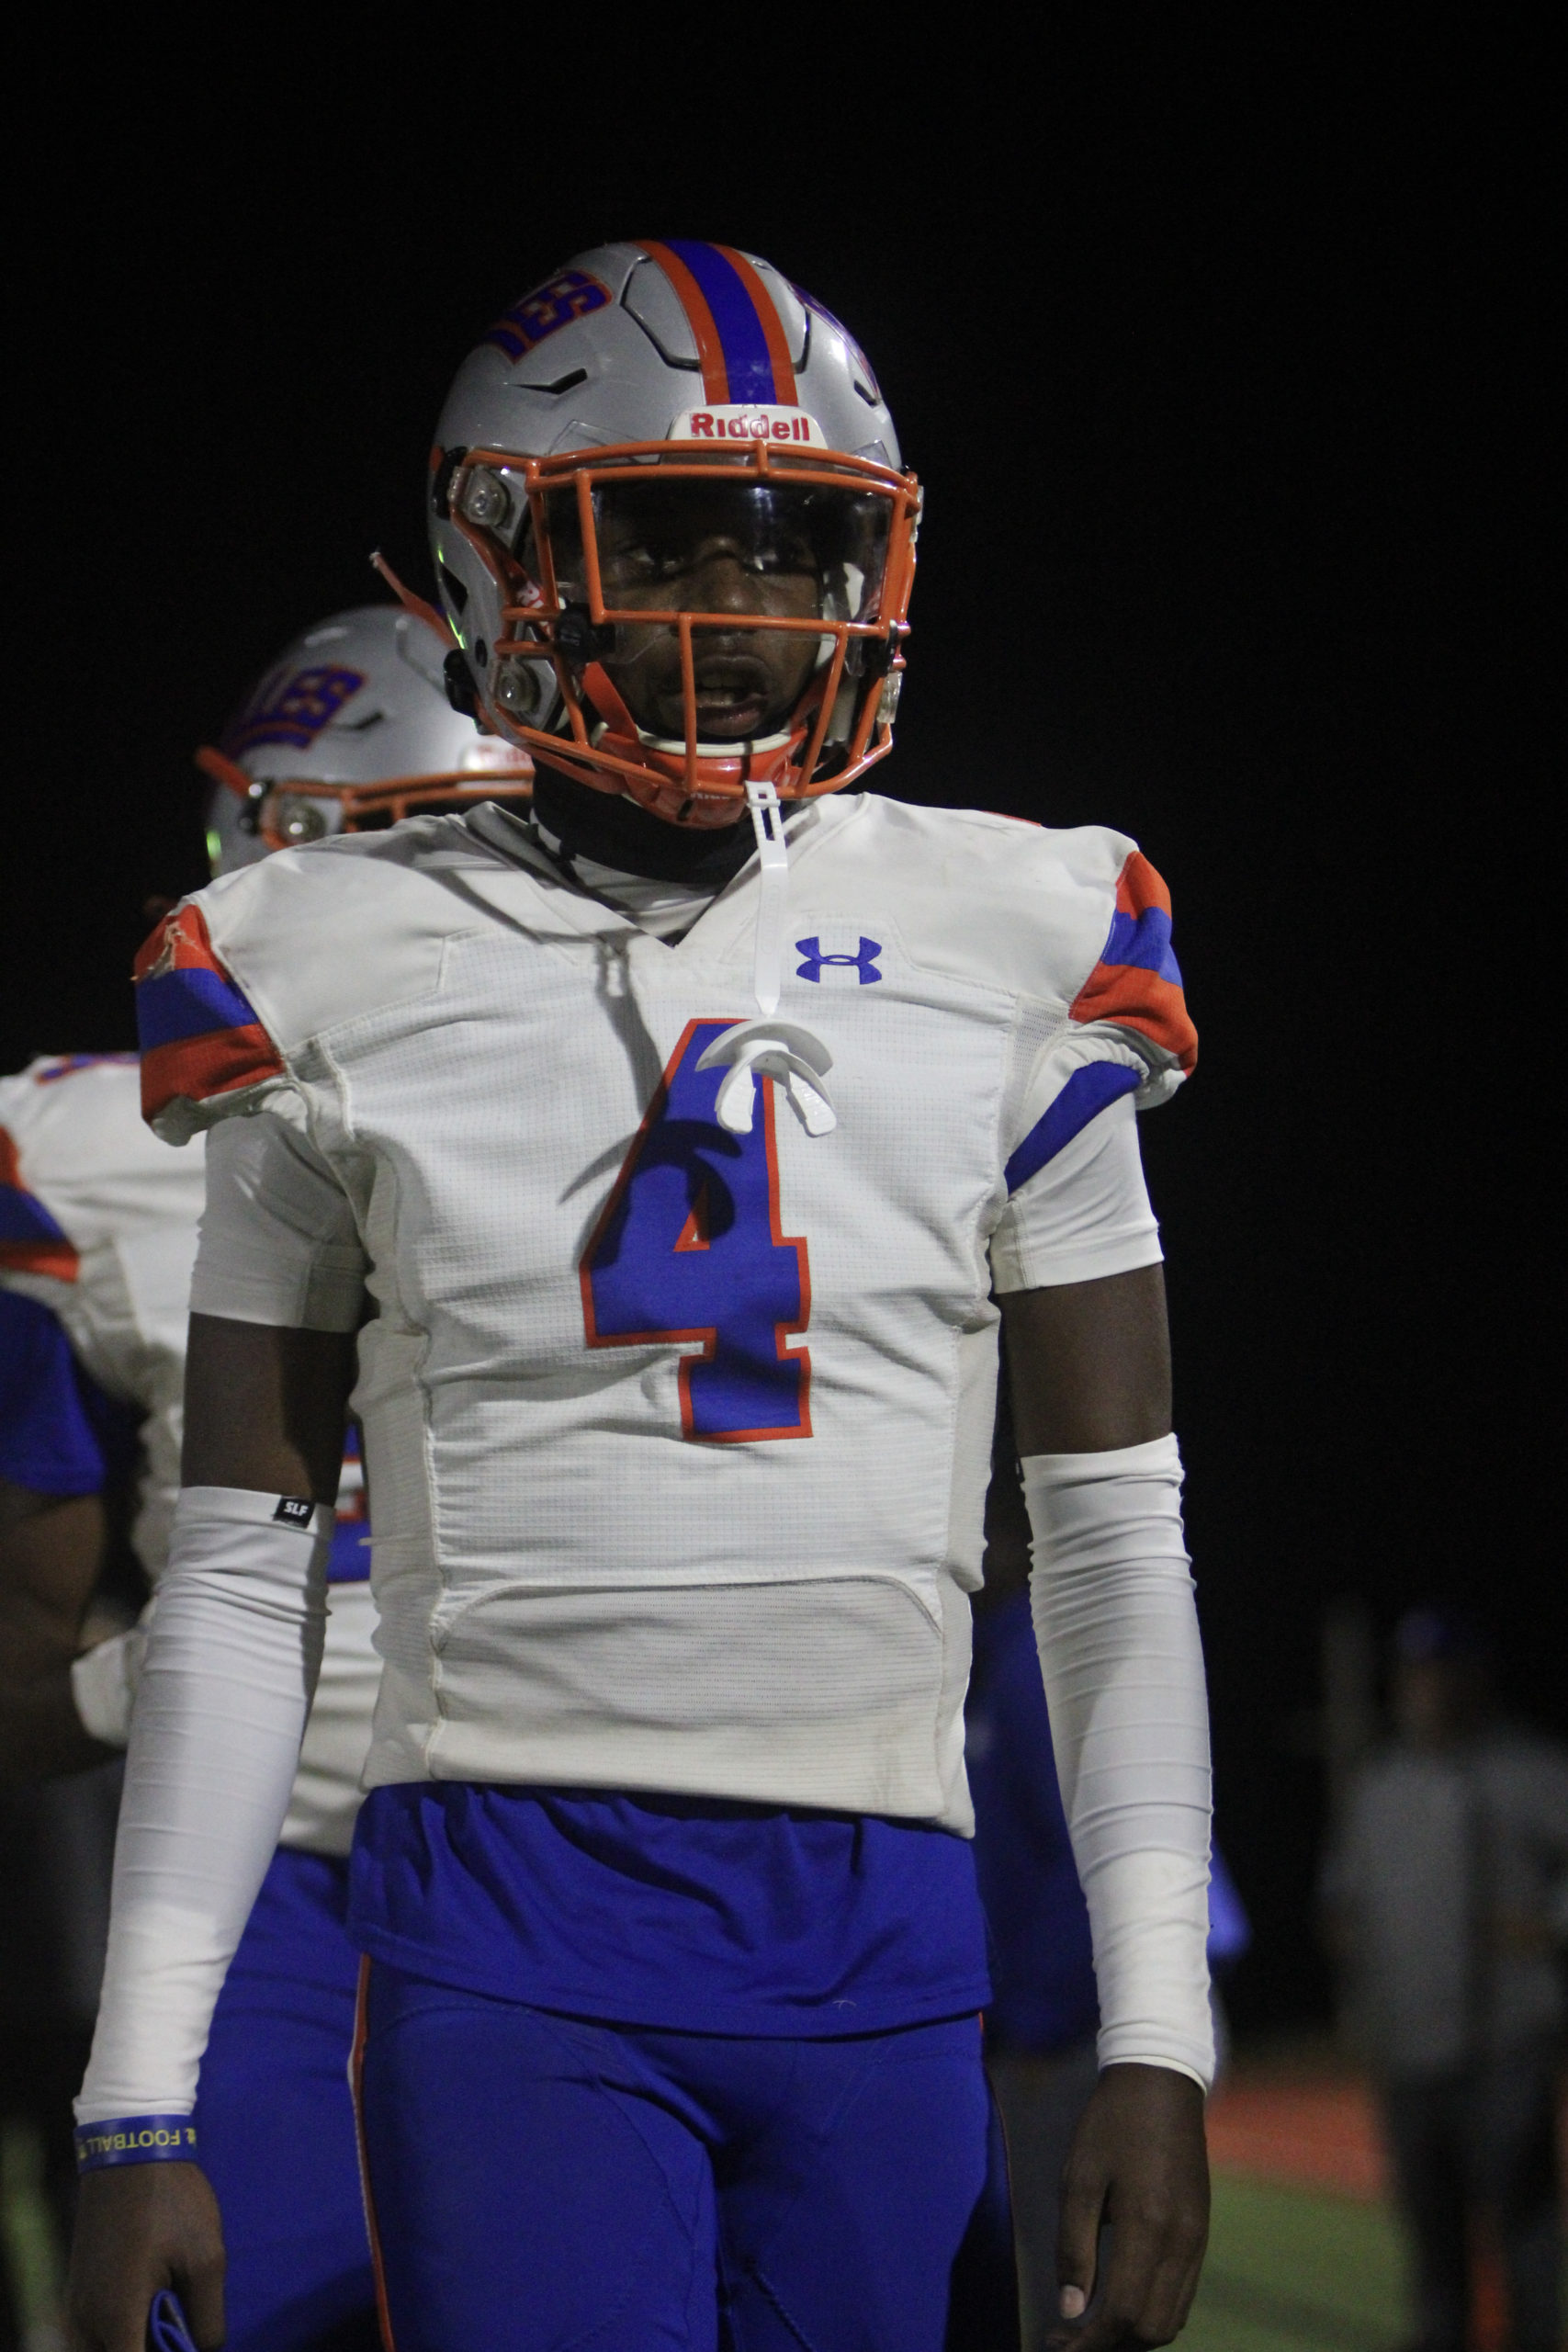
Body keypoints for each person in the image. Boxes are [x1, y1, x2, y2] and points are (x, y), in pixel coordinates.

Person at [68, 240, 1215, 2352]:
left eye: (792, 547)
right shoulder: (321, 953)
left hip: (891, 1922)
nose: (742, 603)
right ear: (500, 550)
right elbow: (237, 1569)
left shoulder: (1020, 929)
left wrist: (1157, 2029)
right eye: (671, 537)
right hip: (507, 1913)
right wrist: (140, 2093)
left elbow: (1113, 1538)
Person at [1, 604, 528, 2352]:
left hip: (582, 1849)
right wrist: (141, 1679)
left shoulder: (681, 1085)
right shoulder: (98, 1144)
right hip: (277, 1871)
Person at [968, 1416, 1247, 2349]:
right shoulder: (995, 1655)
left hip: (1078, 2033)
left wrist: (1038, 2023)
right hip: (1061, 2024)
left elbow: (1077, 1866)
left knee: (1071, 2296)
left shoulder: (1027, 1655)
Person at [1323, 1607, 1568, 2352]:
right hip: (1408, 2050)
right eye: (1414, 1673)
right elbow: (1342, 1898)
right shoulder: (1380, 1782)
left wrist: (1548, 1924)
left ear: (1474, 1679)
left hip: (1506, 2046)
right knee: (1431, 2242)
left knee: (1523, 2235)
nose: (1425, 1688)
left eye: (1440, 1672)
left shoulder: (1529, 1769)